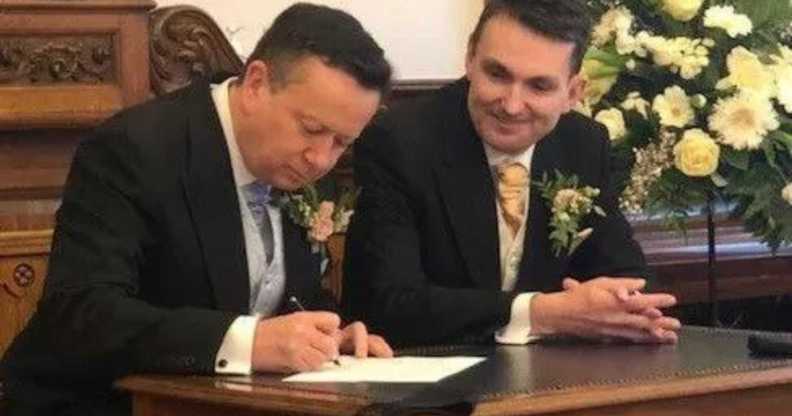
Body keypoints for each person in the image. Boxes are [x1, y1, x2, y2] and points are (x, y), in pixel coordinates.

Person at [1, 3, 393, 415]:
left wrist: (330, 336)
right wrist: (248, 342)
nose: (322, 159)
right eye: (311, 130)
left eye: (342, 143)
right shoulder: (135, 150)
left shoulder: (302, 164)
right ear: (257, 83)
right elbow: (83, 313)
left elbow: (292, 294)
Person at [343, 0, 681, 348]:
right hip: (421, 375)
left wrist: (638, 311)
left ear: (573, 92)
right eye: (498, 75)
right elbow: (390, 306)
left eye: (539, 86)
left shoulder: (582, 143)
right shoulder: (400, 140)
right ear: (470, 59)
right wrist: (539, 313)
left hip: (546, 380)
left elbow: (624, 270)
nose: (512, 105)